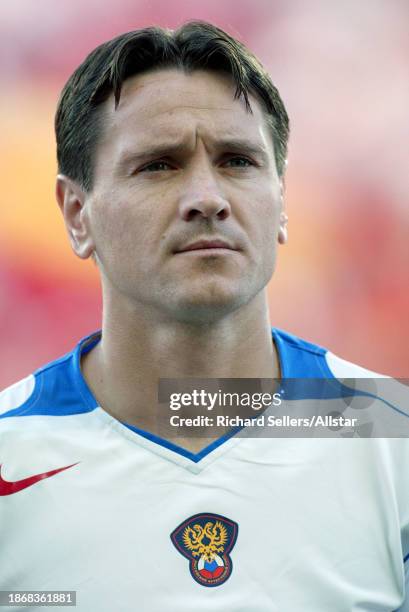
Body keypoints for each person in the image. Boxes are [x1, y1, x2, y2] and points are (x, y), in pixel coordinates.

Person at [0, 21, 408, 612]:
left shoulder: (393, 445)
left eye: (238, 161)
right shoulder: (12, 456)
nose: (208, 198)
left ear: (284, 203)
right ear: (76, 213)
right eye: (159, 165)